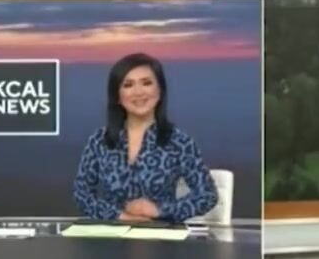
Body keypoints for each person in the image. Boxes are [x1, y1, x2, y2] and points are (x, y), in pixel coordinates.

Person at [73, 53, 219, 222]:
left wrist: (159, 211)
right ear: (117, 96)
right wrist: (121, 217)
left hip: (160, 234)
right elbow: (82, 193)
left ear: (160, 90)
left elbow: (207, 195)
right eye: (128, 85)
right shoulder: (99, 140)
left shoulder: (179, 142)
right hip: (113, 232)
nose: (138, 92)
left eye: (146, 83)